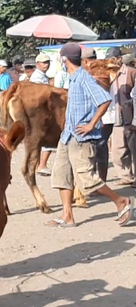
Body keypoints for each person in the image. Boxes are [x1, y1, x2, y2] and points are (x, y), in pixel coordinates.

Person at [48, 43, 134, 227]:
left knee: (87, 180)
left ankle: (121, 201)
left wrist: (91, 124)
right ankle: (67, 216)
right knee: (61, 175)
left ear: (64, 59)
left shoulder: (84, 79)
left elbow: (104, 100)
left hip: (81, 138)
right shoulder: (73, 79)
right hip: (68, 136)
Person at [108, 47, 136, 185]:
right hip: (115, 117)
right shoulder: (107, 74)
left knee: (133, 148)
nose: (112, 61)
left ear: (120, 58)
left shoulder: (131, 72)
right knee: (118, 150)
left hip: (131, 117)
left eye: (113, 58)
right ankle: (126, 177)